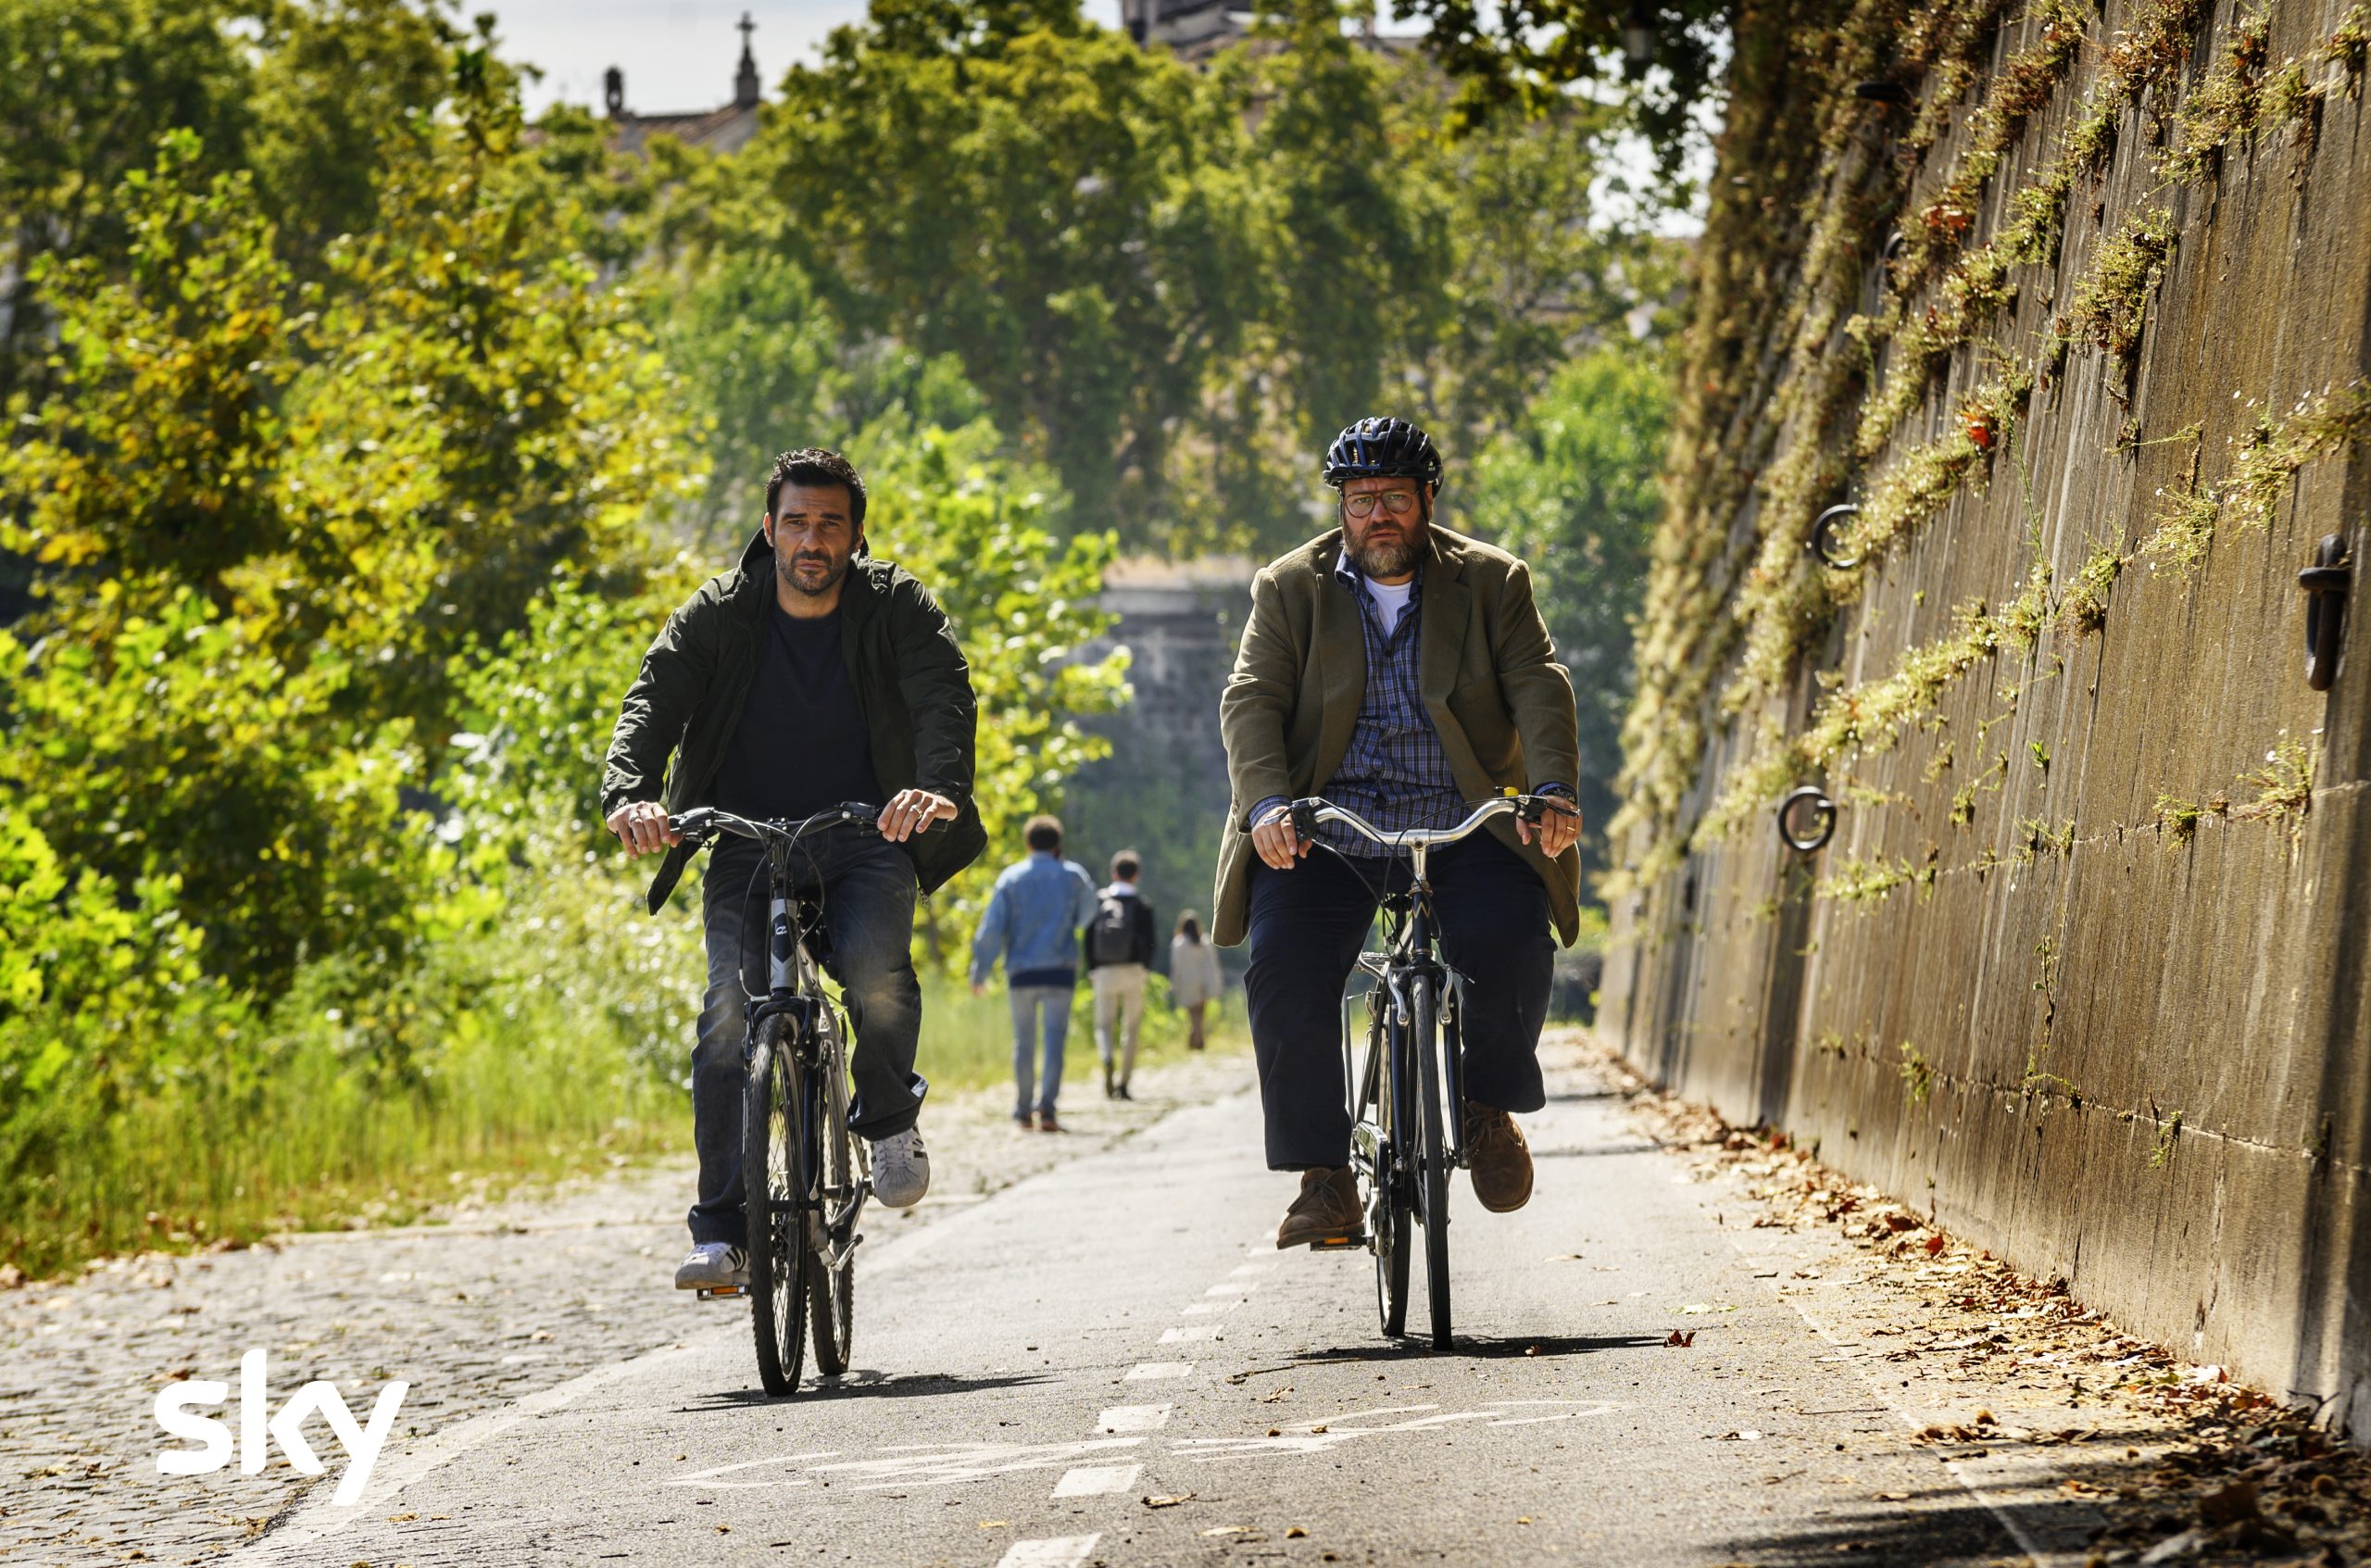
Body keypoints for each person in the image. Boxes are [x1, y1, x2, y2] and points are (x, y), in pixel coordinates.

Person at [601, 448, 985, 1291]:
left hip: (864, 831)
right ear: (769, 527)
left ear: (856, 533)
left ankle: (885, 1117)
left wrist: (936, 787)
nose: (813, 540)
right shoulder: (721, 613)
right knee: (727, 1019)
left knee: (879, 978)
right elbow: (652, 698)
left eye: (831, 524)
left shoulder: (896, 606)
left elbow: (941, 695)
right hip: (745, 837)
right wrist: (629, 792)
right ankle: (722, 1233)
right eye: (798, 522)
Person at [1213, 416, 1585, 1250]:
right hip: (1326, 827)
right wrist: (1268, 804)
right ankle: (1325, 1176)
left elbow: (1539, 681)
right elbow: (1251, 700)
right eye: (1359, 500)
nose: (1376, 515)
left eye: (1394, 498)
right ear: (1340, 507)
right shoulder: (1289, 587)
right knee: (1284, 964)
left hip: (1462, 819)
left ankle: (1487, 1113)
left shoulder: (1492, 581)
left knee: (1511, 936)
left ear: (1426, 500)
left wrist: (1552, 786)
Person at [970, 814, 1099, 1132]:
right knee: (1055, 1040)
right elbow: (1090, 911)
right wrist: (1071, 927)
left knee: (1023, 1042)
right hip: (1060, 969)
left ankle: (1023, 1108)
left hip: (1021, 971)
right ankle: (1049, 1110)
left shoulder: (1011, 878)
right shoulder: (1073, 875)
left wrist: (980, 972)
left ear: (1028, 843)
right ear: (1058, 844)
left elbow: (991, 930)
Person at [1085, 849, 1158, 1099]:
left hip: (1104, 971)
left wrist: (1092, 968)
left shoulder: (1099, 901)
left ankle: (1106, 1057)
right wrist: (1144, 967)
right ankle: (1124, 1083)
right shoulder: (1142, 906)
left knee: (1103, 1025)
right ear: (1136, 876)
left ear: (1113, 873)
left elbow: (1088, 936)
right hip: (1133, 971)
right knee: (1131, 1028)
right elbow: (1151, 941)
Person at [1168, 911, 1223, 1052]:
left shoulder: (1178, 944)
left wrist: (1174, 985)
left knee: (1193, 1015)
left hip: (1187, 983)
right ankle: (1198, 1040)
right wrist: (1214, 983)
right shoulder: (1205, 942)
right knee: (1200, 1014)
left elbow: (1176, 966)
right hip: (1203, 982)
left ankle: (1195, 1040)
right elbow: (1212, 964)